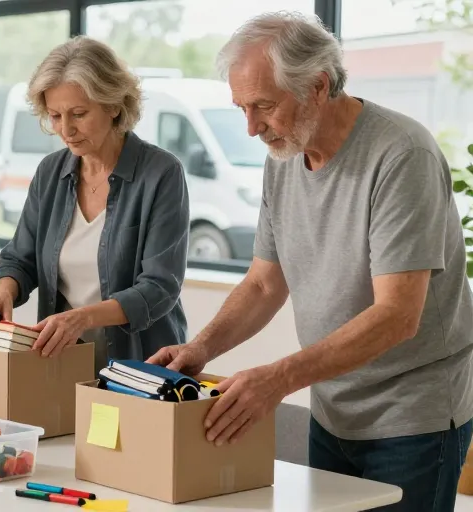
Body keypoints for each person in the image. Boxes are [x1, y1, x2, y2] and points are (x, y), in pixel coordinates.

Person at [146, 11, 473, 511]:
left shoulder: (402, 155)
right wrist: (201, 349)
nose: (252, 128)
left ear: (318, 86)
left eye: (264, 106)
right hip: (332, 408)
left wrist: (276, 379)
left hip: (413, 418)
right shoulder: (283, 159)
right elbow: (262, 285)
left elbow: (398, 316)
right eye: (242, 108)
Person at [0, 36, 191, 373]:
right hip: (62, 359)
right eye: (55, 115)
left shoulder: (161, 173)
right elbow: (20, 259)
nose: (66, 130)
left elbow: (159, 287)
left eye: (78, 114)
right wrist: (3, 292)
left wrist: (82, 318)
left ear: (113, 105)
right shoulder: (51, 173)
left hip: (142, 365)